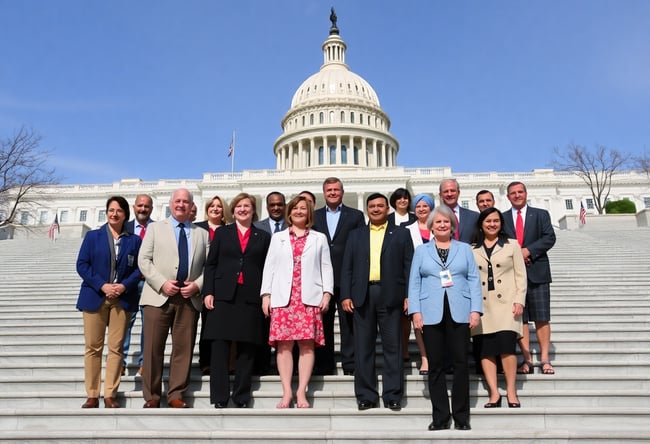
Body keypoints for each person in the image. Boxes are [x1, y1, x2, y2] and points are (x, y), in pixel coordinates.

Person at [408, 205, 482, 431]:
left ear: (452, 225)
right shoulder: (421, 251)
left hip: (460, 310)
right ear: (431, 226)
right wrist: (416, 312)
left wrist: (475, 310)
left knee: (460, 363)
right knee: (436, 366)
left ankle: (461, 416)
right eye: (437, 222)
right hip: (430, 312)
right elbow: (414, 282)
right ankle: (440, 416)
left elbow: (473, 279)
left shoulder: (464, 249)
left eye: (446, 222)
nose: (442, 225)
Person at [340, 193, 413, 411]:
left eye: (380, 206)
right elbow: (347, 267)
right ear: (367, 209)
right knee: (363, 348)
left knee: (393, 348)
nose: (376, 209)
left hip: (390, 294)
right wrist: (345, 295)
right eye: (372, 206)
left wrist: (409, 295)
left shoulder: (401, 234)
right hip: (363, 294)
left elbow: (408, 266)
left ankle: (392, 395)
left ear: (387, 209)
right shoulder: (356, 235)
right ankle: (366, 395)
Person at [138, 188, 209, 408]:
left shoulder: (202, 234)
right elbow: (144, 260)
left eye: (185, 202)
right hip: (158, 296)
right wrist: (162, 283)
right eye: (177, 201)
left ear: (191, 206)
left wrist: (197, 285)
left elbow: (210, 267)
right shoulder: (155, 228)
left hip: (188, 299)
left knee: (183, 349)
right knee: (152, 349)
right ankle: (152, 396)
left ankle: (176, 394)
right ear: (170, 203)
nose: (181, 205)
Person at [261, 195, 333, 408]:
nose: (299, 211)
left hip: (309, 297)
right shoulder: (278, 238)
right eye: (296, 208)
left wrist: (327, 293)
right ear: (289, 212)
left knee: (307, 346)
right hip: (284, 298)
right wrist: (266, 295)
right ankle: (286, 392)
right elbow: (270, 267)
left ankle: (301, 391)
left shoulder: (319, 238)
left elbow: (326, 266)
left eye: (304, 208)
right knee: (283, 346)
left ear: (309, 213)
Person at [203, 193, 271, 408]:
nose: (243, 209)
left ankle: (241, 395)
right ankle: (220, 397)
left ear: (253, 210)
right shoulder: (222, 233)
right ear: (232, 211)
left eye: (247, 206)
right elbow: (211, 264)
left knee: (247, 348)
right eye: (239, 206)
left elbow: (267, 268)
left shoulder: (263, 237)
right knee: (220, 346)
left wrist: (266, 295)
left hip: (250, 295)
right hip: (223, 295)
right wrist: (208, 292)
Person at [76, 196, 142, 408]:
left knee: (116, 349)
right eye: (111, 210)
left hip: (122, 299)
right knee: (93, 348)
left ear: (125, 214)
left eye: (119, 211)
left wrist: (123, 286)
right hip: (95, 297)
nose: (114, 214)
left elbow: (140, 268)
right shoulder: (93, 237)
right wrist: (102, 285)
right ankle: (93, 394)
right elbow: (82, 265)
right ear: (107, 212)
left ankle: (110, 393)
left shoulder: (134, 240)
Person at [471, 207, 527, 408]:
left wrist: (519, 299)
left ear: (501, 223)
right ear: (481, 224)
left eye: (496, 221)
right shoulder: (472, 248)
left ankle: (511, 391)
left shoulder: (512, 245)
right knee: (485, 350)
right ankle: (494, 393)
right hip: (483, 305)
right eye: (488, 221)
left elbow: (521, 275)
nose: (492, 224)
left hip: (507, 304)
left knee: (506, 347)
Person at [502, 181, 556, 375]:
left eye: (520, 192)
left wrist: (528, 251)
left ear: (526, 193)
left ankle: (544, 359)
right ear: (508, 197)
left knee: (542, 317)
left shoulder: (541, 214)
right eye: (513, 193)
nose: (517, 195)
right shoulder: (502, 217)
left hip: (537, 272)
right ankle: (527, 360)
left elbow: (549, 237)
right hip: (513, 276)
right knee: (521, 319)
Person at [313, 177, 365, 375]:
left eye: (336, 190)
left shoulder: (355, 216)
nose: (332, 193)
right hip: (320, 280)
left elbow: (360, 248)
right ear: (324, 193)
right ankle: (324, 365)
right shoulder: (315, 216)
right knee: (323, 325)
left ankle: (350, 364)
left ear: (342, 192)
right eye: (329, 190)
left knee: (348, 325)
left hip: (347, 279)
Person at [195, 195, 232, 375]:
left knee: (215, 324)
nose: (215, 209)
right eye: (212, 206)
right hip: (197, 282)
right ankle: (205, 361)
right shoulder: (197, 228)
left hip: (221, 283)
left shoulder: (229, 230)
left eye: (219, 206)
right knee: (203, 325)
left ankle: (219, 361)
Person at [403, 193, 435, 375]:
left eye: (425, 206)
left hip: (436, 281)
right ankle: (425, 358)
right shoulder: (407, 230)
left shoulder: (439, 226)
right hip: (415, 281)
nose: (422, 209)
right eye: (418, 206)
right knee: (418, 322)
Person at [122, 193, 154, 376]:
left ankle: (144, 362)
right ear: (134, 207)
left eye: (146, 206)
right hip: (128, 284)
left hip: (149, 283)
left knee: (148, 325)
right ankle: (120, 362)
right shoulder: (124, 227)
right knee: (125, 323)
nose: (143, 209)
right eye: (140, 205)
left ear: (151, 208)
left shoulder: (157, 228)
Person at [439, 178, 479, 243]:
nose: (449, 194)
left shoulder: (474, 217)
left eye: (452, 191)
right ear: (440, 195)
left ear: (458, 193)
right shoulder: (434, 218)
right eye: (446, 191)